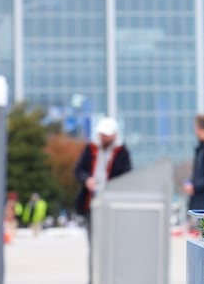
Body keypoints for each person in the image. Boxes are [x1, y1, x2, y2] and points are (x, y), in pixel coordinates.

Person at [74, 117, 132, 283]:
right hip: (91, 204)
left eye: (107, 135)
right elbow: (78, 170)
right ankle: (94, 279)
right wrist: (87, 180)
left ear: (114, 135)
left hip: (112, 205)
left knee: (112, 246)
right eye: (102, 135)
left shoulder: (122, 153)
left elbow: (126, 176)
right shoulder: (90, 149)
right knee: (94, 246)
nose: (103, 138)